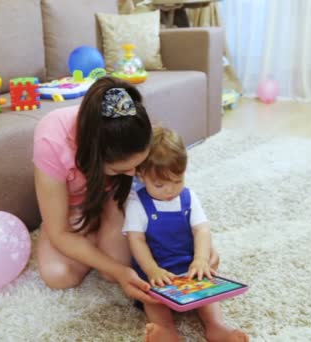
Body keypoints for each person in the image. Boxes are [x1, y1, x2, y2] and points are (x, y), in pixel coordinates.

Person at [32, 77, 219, 308]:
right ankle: (74, 227)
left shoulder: (130, 125)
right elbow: (60, 233)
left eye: (137, 166)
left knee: (113, 270)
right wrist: (120, 271)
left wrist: (199, 249)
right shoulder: (51, 139)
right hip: (73, 206)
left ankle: (93, 232)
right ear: (95, 156)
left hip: (113, 199)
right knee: (59, 275)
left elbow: (159, 186)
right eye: (121, 169)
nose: (133, 175)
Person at [124, 127, 248, 342]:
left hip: (188, 267)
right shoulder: (137, 202)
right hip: (157, 272)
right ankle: (166, 331)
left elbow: (201, 229)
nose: (170, 191)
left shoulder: (189, 197)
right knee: (153, 301)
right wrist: (152, 269)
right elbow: (136, 239)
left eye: (177, 181)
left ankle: (216, 328)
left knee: (208, 297)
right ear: (141, 175)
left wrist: (200, 260)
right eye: (160, 184)